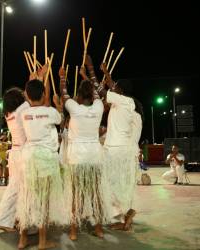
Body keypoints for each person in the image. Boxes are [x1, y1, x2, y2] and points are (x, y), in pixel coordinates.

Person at [86, 56, 137, 231]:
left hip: (116, 150)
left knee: (109, 183)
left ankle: (126, 213)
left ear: (120, 91)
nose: (113, 87)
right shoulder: (125, 103)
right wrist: (105, 72)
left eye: (116, 87)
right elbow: (107, 87)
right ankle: (124, 216)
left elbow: (101, 90)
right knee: (117, 183)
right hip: (120, 149)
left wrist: (93, 70)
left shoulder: (123, 101)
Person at [15, 78, 65, 249]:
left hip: (28, 158)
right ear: (44, 94)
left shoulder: (23, 114)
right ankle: (42, 242)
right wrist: (58, 105)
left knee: (26, 197)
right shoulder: (50, 111)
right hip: (46, 159)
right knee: (43, 200)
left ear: (27, 96)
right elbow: (60, 120)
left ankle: (23, 239)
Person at [59, 66, 106, 240]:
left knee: (76, 194)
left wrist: (62, 77)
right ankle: (99, 229)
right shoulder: (99, 107)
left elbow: (64, 94)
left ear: (79, 96)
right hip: (94, 156)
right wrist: (91, 74)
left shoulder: (74, 107)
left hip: (77, 157)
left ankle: (73, 231)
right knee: (95, 194)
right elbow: (97, 93)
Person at [0, 86, 31, 232]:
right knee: (17, 187)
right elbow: (31, 99)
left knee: (18, 187)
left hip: (15, 152)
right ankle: (4, 220)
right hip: (21, 152)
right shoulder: (22, 110)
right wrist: (37, 80)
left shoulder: (9, 114)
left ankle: (16, 219)